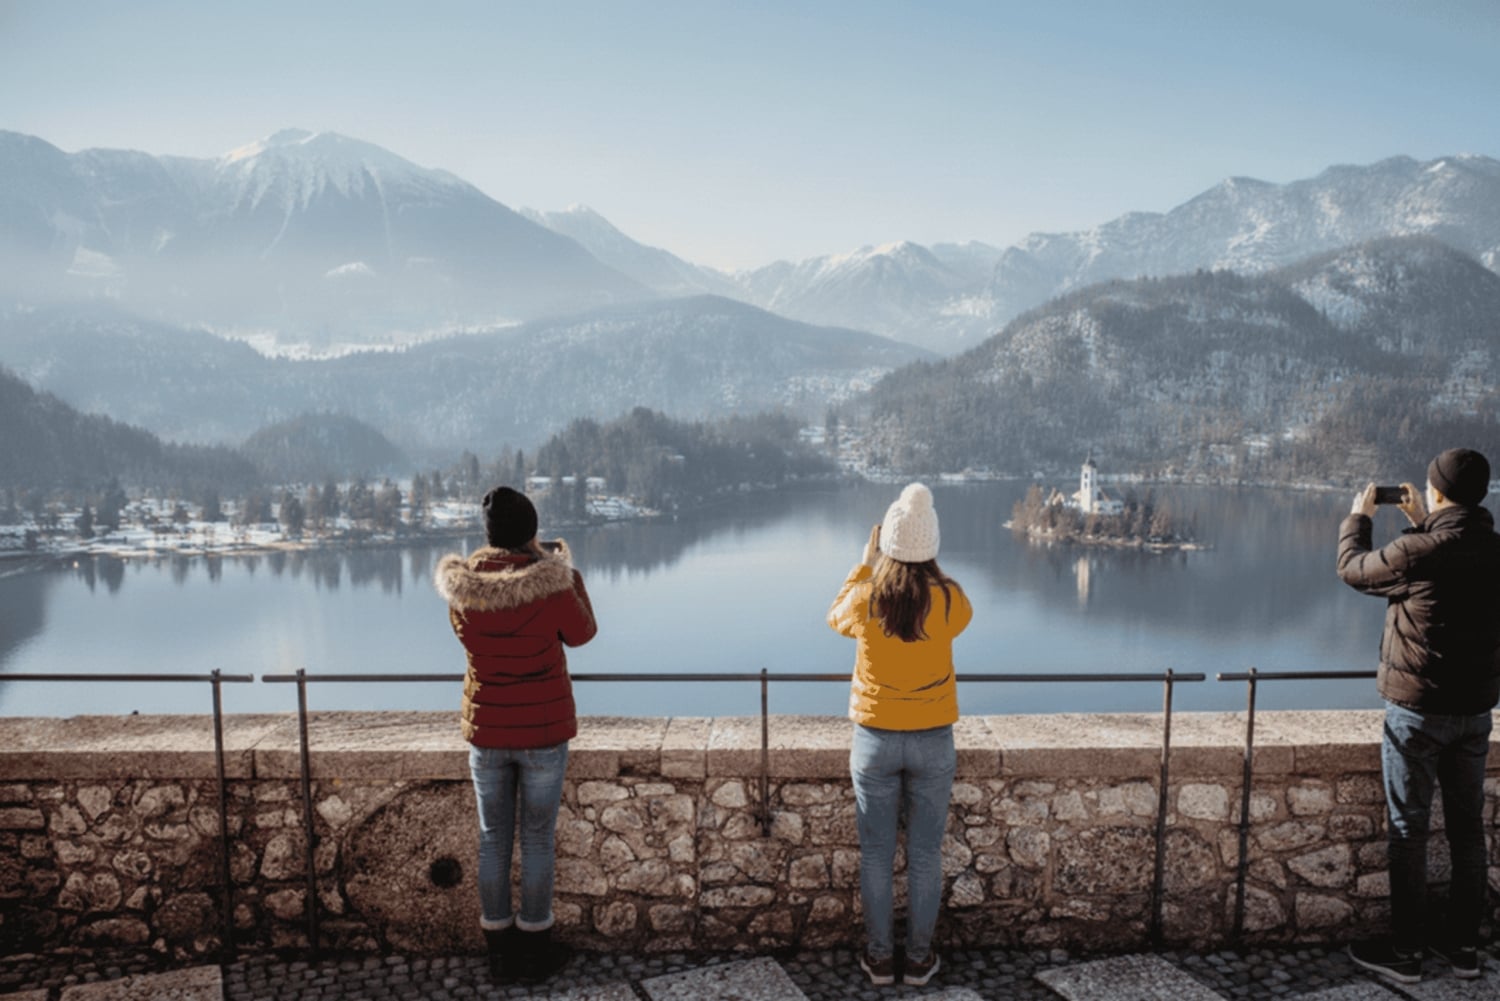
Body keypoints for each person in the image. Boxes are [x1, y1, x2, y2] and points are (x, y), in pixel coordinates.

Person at [1337, 448, 1500, 983]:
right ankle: (1464, 953)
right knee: (1467, 834)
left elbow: (1353, 570)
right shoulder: (1491, 549)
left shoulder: (1418, 551)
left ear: (1436, 493)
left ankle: (1406, 954)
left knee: (1409, 830)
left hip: (1417, 713)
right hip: (1475, 713)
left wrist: (1359, 518)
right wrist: (1422, 523)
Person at [434, 485, 597, 983]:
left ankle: (498, 951)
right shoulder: (550, 585)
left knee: (492, 839)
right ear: (531, 532)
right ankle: (535, 948)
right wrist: (567, 572)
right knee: (537, 839)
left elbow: (476, 636)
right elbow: (584, 632)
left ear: (489, 536)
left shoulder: (463, 591)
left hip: (488, 732)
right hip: (544, 734)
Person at [827, 483, 973, 987]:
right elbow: (959, 615)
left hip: (875, 740)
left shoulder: (868, 598)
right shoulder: (952, 599)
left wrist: (865, 564)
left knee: (875, 853)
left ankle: (878, 957)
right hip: (933, 740)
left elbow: (834, 616)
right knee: (926, 854)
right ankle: (917, 961)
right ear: (931, 545)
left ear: (886, 542)